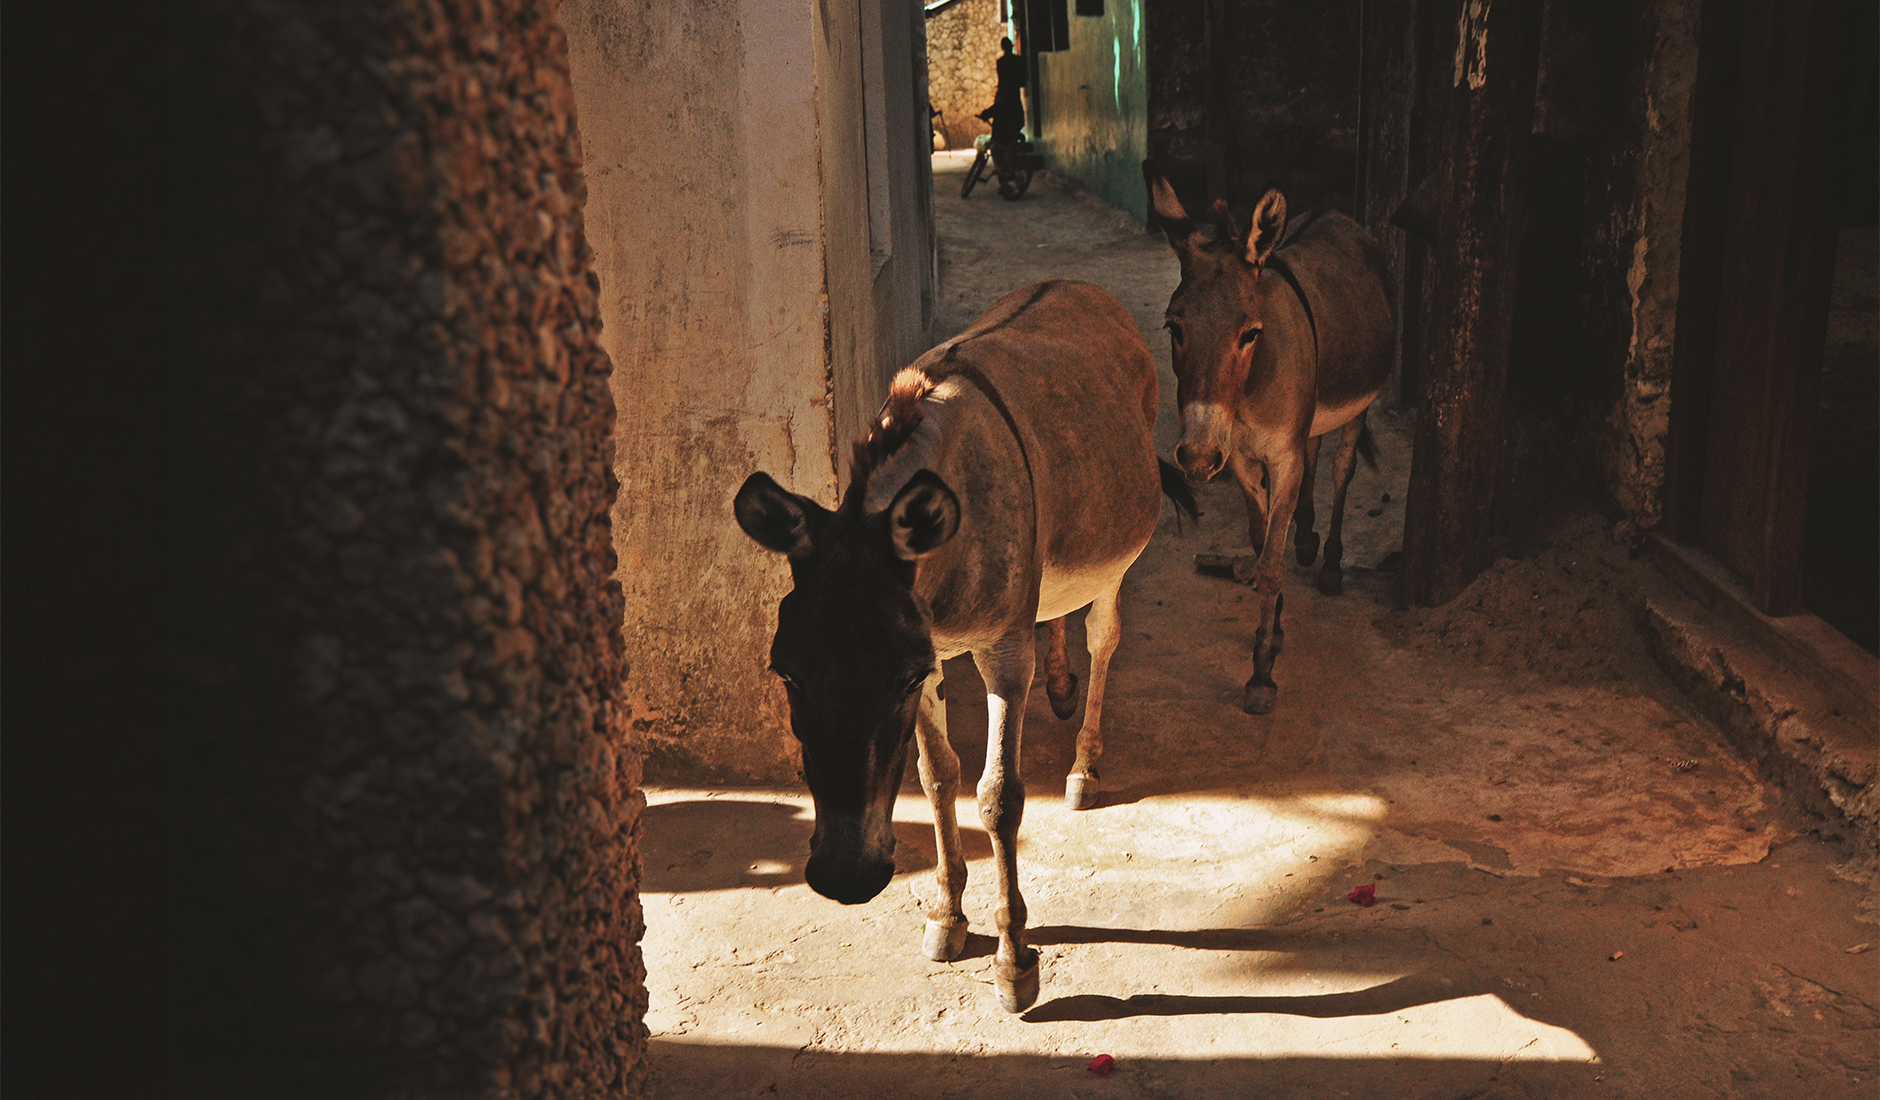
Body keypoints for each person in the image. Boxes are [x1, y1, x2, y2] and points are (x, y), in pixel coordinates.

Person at [976, 37, 1026, 146]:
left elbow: (1002, 80)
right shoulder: (1018, 61)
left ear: (1003, 48)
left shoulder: (1001, 62)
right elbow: (1022, 79)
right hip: (1013, 93)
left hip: (1007, 93)